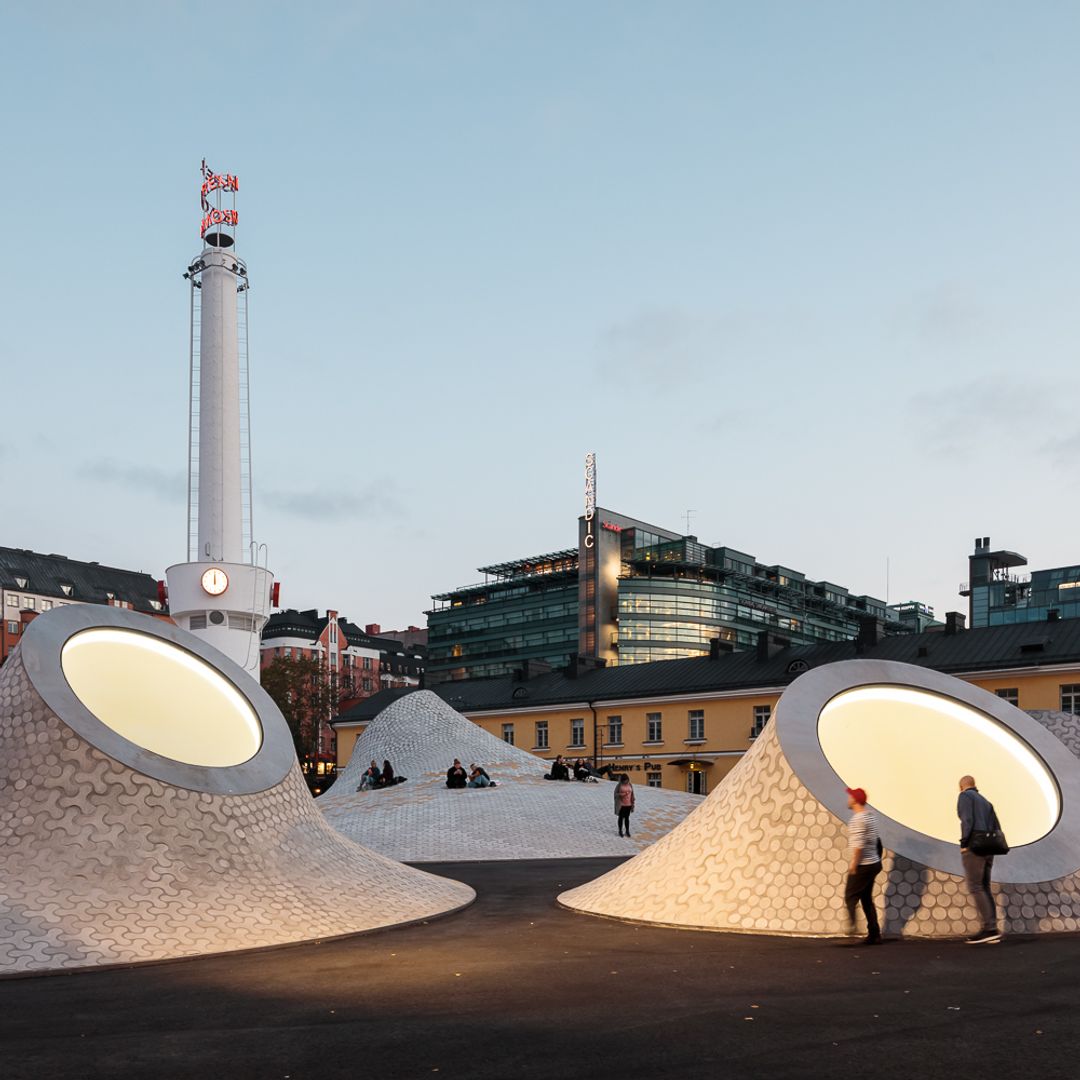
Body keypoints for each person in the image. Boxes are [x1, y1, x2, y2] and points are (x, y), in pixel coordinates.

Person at [957, 775, 1003, 944]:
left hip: (974, 847)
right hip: (989, 847)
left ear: (961, 787)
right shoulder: (986, 802)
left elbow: (966, 820)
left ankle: (989, 929)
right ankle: (992, 928)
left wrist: (964, 843)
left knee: (975, 886)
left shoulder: (964, 796)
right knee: (985, 887)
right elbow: (997, 827)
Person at [843, 786, 882, 946]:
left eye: (850, 796)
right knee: (866, 898)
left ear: (855, 800)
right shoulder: (870, 817)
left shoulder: (857, 819)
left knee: (850, 896)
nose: (848, 799)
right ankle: (874, 934)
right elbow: (877, 840)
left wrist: (854, 864)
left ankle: (852, 927)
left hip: (863, 864)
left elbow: (859, 845)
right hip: (873, 862)